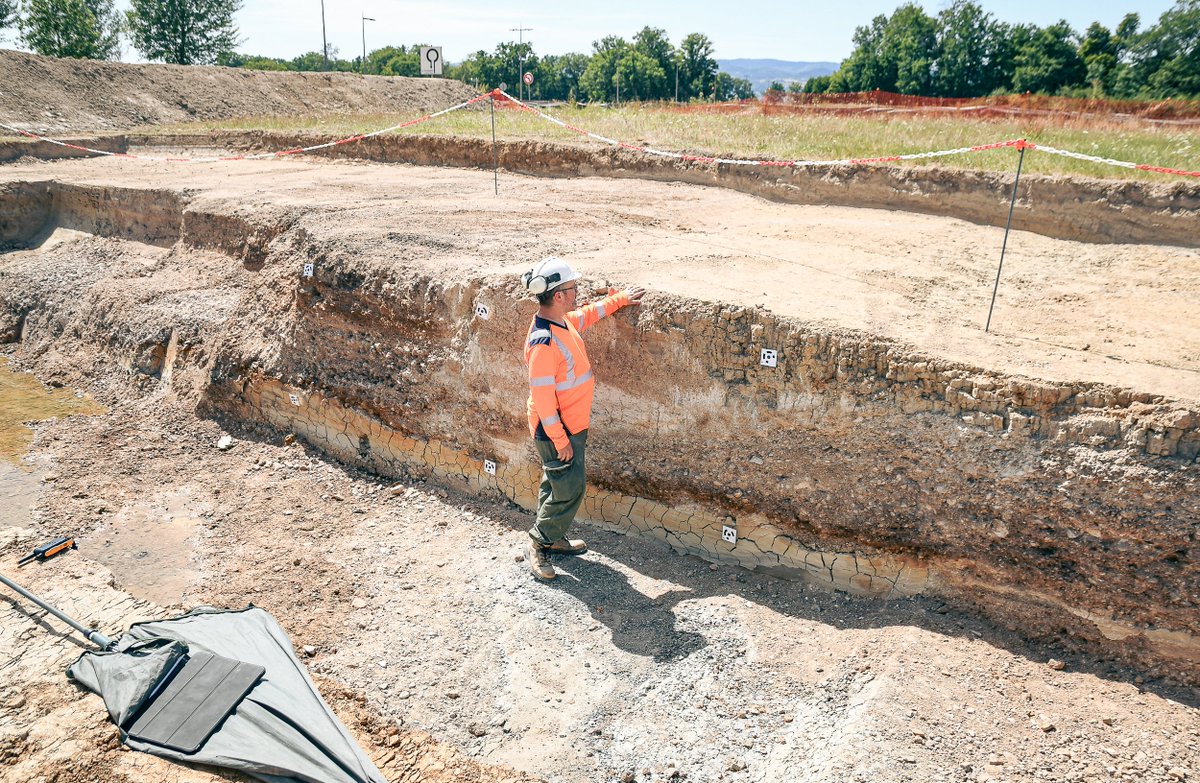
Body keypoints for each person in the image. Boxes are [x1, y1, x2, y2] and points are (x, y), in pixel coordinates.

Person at [521, 256, 645, 580]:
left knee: (555, 482)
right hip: (555, 430)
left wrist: (619, 299)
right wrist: (561, 441)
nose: (578, 293)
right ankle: (538, 543)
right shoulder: (543, 343)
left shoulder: (561, 323)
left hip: (570, 427)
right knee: (570, 488)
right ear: (558, 295)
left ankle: (553, 537)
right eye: (573, 288)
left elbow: (588, 314)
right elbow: (545, 402)